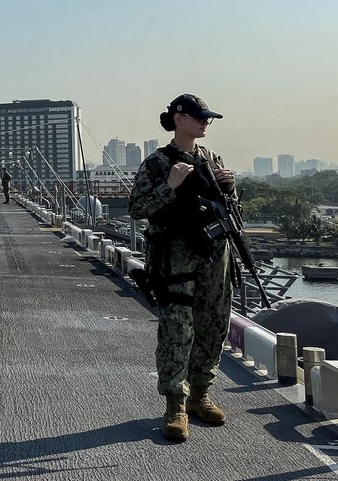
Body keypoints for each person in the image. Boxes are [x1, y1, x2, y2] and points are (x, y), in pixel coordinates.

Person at [128, 94, 236, 442]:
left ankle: (200, 393)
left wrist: (231, 189)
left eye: (208, 118)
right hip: (176, 257)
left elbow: (228, 208)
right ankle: (175, 402)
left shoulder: (212, 159)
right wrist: (169, 187)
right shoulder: (157, 163)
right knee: (177, 328)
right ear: (179, 118)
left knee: (213, 324)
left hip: (214, 255)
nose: (205, 123)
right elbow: (138, 207)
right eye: (199, 117)